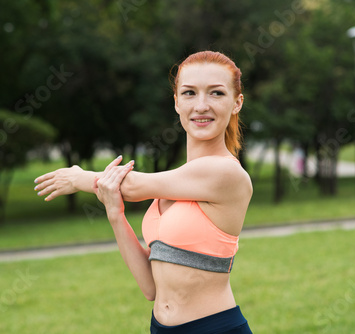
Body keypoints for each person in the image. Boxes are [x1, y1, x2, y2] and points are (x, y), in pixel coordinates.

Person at [34, 51, 253, 333]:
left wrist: (79, 177)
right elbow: (151, 287)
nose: (201, 105)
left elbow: (133, 186)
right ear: (176, 102)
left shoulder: (227, 173)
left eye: (216, 93)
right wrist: (115, 213)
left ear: (237, 103)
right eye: (189, 93)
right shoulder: (173, 184)